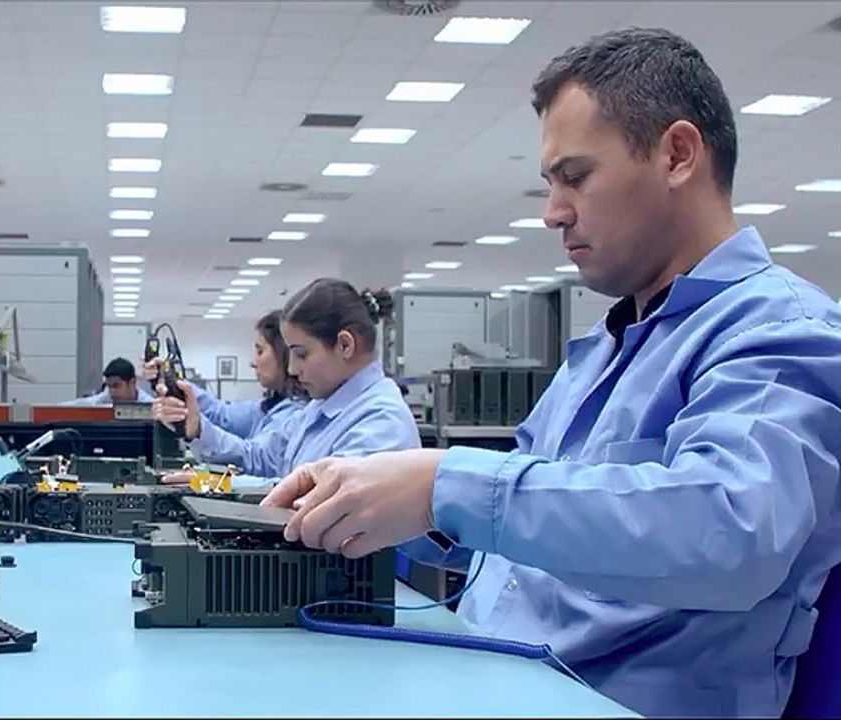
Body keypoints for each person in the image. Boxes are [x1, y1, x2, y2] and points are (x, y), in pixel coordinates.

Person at [263, 27, 841, 719]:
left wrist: (446, 484)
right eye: (550, 183)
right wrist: (371, 503)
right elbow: (527, 540)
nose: (553, 212)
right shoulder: (604, 347)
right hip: (494, 678)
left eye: (575, 177)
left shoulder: (778, 331)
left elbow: (730, 531)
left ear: (678, 155)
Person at [165, 279, 420, 487]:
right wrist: (198, 431)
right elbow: (260, 458)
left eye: (301, 354)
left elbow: (314, 498)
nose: (292, 369)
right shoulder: (320, 407)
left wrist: (213, 484)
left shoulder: (382, 422)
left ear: (345, 345)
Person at [151, 310, 307, 467]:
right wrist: (175, 383)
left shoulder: (297, 413)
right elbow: (222, 415)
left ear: (284, 354)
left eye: (260, 351)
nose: (253, 362)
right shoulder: (270, 407)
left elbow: (255, 459)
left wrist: (198, 429)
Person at [62, 357, 154, 406]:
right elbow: (84, 404)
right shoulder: (106, 397)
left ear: (132, 383)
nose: (112, 392)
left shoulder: (149, 404)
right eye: (109, 386)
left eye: (116, 386)